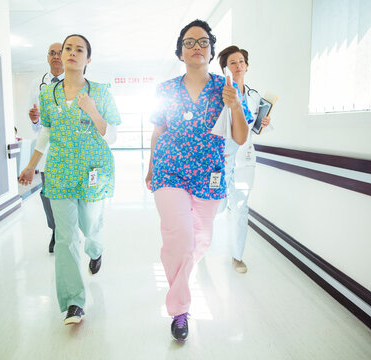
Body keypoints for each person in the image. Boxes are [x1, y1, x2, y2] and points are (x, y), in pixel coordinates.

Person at [145, 20, 253, 342]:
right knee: (178, 235)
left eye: (202, 42)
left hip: (210, 172)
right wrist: (151, 165)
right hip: (169, 169)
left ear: (211, 50)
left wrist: (234, 106)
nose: (196, 47)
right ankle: (180, 310)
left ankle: (180, 275)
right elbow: (158, 129)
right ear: (180, 51)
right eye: (189, 42)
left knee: (200, 240)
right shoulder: (165, 89)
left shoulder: (226, 87)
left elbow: (240, 136)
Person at [19, 34, 121, 325]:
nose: (72, 53)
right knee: (65, 238)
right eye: (68, 48)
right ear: (60, 56)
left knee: (90, 226)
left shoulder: (100, 92)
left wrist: (92, 111)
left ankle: (96, 248)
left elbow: (111, 135)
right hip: (60, 171)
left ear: (88, 59)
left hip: (93, 171)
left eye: (80, 49)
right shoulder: (47, 95)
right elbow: (46, 133)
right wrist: (30, 166)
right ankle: (74, 302)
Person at [217, 45, 272, 274]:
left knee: (240, 207)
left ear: (246, 66)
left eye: (241, 62)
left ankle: (237, 256)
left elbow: (255, 129)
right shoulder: (219, 93)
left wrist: (264, 124)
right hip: (220, 157)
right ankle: (200, 245)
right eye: (232, 62)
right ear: (225, 69)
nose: (238, 66)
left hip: (245, 157)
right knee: (216, 207)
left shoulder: (254, 96)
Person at [28, 42, 65, 253]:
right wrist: (34, 120)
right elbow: (37, 128)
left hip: (70, 151)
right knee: (47, 194)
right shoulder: (37, 85)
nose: (56, 56)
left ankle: (67, 229)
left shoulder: (74, 83)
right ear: (47, 56)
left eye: (60, 52)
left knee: (70, 194)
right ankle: (56, 231)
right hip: (46, 152)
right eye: (52, 52)